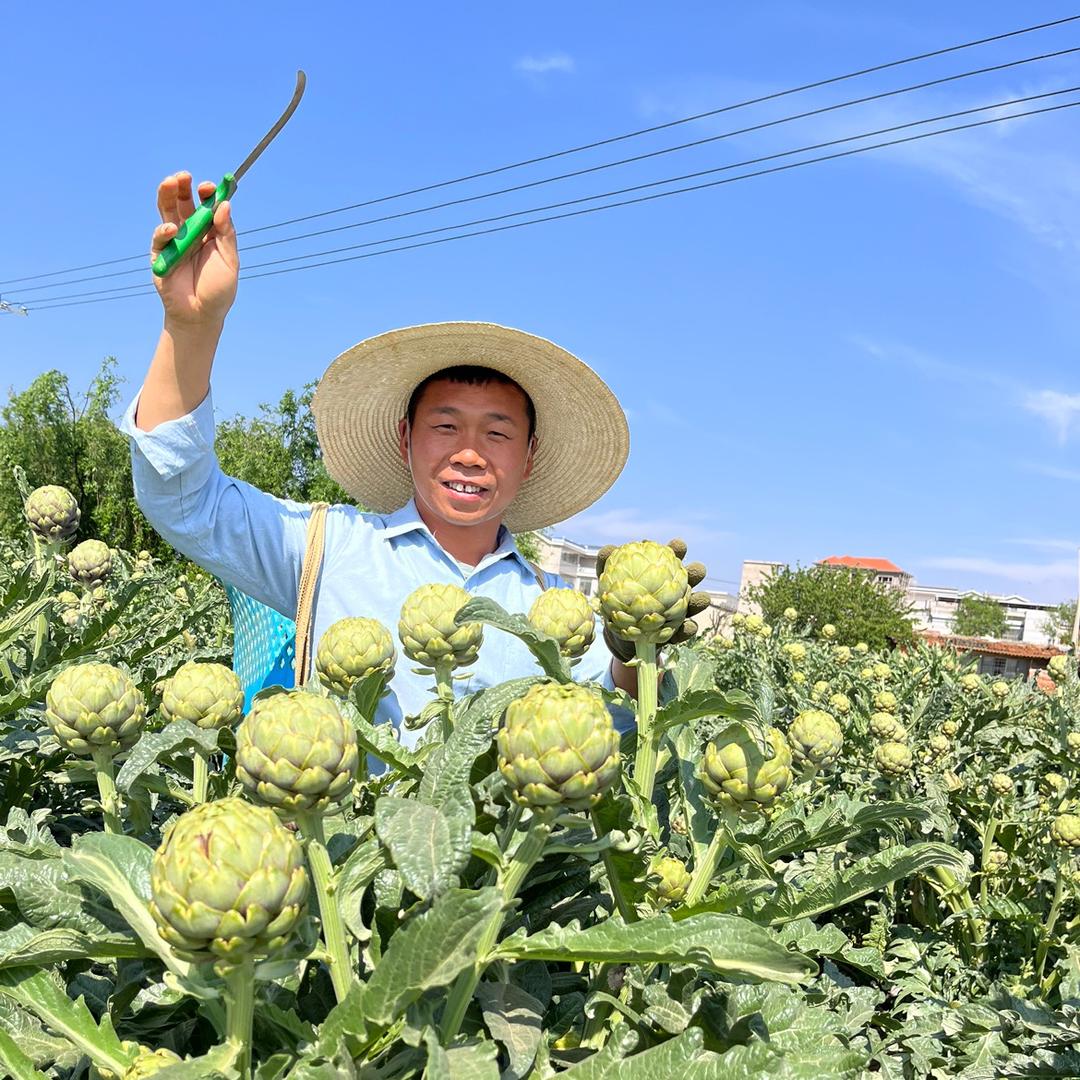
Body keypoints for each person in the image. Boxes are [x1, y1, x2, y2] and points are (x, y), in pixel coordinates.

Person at [120, 172, 687, 746]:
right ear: (404, 438)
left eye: (498, 433)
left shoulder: (555, 610)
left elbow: (612, 729)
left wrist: (637, 647)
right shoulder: (327, 548)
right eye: (445, 426)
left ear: (530, 456)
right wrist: (191, 328)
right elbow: (184, 502)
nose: (470, 453)